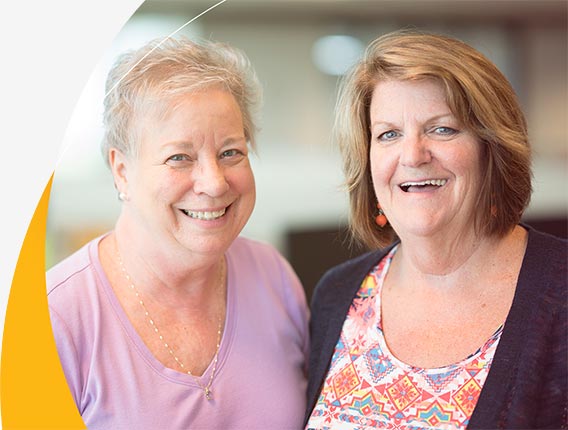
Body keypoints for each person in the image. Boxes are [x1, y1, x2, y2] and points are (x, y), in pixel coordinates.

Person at [305, 30, 567, 429]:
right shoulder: (336, 295)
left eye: (442, 129)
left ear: (490, 147)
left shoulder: (561, 291)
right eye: (388, 134)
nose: (412, 155)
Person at [47, 37, 309, 429]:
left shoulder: (275, 277)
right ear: (121, 170)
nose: (214, 183)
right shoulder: (55, 318)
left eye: (230, 152)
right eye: (179, 158)